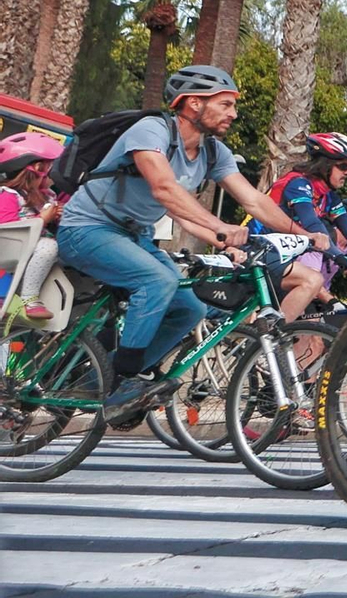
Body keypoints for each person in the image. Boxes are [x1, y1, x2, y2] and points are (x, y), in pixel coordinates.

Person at [55, 67, 331, 425]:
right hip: (87, 228)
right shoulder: (151, 131)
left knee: (189, 309)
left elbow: (254, 201)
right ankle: (124, 383)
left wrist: (304, 233)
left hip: (134, 234)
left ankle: (99, 382)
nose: (233, 113)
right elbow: (164, 190)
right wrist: (220, 228)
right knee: (157, 281)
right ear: (194, 103)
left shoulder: (213, 153)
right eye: (225, 104)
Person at [251, 131, 347, 318]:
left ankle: (275, 339)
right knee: (311, 283)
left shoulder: (329, 197)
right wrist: (338, 256)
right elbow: (312, 223)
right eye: (343, 166)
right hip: (258, 249)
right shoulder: (298, 184)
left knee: (311, 335)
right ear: (325, 165)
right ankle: (270, 341)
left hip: (282, 258)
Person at [0, 131, 65, 322]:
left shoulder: (46, 196)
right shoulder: (8, 195)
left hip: (29, 255)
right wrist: (42, 219)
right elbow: (7, 229)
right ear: (37, 168)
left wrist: (57, 217)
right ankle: (29, 299)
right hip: (12, 252)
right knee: (48, 246)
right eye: (52, 168)